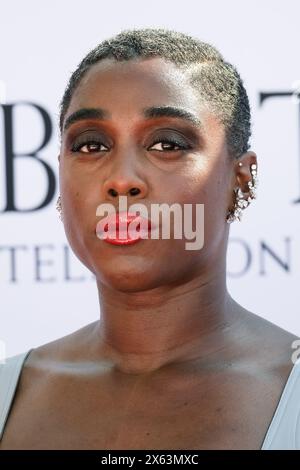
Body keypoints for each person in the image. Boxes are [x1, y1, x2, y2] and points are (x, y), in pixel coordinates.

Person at [0, 27, 299, 450]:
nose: (121, 180)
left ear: (240, 179)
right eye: (90, 145)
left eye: (166, 143)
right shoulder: (9, 392)